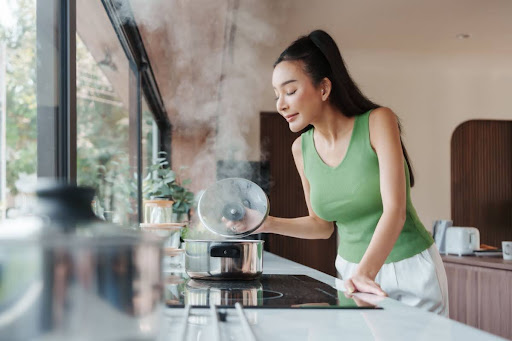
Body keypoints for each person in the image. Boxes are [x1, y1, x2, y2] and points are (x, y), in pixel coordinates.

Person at [228, 29, 448, 316]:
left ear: (324, 88)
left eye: (290, 91)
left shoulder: (378, 121)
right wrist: (263, 223)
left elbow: (395, 210)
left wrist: (366, 272)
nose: (281, 104)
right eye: (276, 95)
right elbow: (322, 225)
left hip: (408, 269)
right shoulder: (301, 149)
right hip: (351, 272)